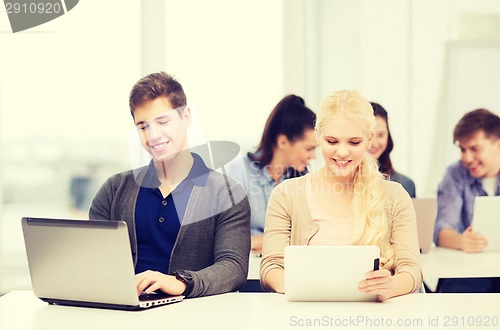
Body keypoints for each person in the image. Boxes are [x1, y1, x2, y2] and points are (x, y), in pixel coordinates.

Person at [89, 72, 251, 298]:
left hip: (191, 315)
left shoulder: (227, 193)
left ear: (186, 117)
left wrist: (182, 283)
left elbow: (233, 267)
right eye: (143, 126)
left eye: (163, 122)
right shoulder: (114, 189)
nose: (153, 135)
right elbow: (94, 260)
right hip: (124, 312)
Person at [260, 90, 422, 301]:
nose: (342, 152)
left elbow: (411, 270)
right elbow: (271, 267)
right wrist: (307, 287)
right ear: (318, 137)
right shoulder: (286, 195)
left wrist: (391, 286)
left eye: (354, 143)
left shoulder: (395, 196)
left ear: (369, 140)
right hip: (306, 315)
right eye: (332, 141)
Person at [224, 95, 318, 254]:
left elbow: (309, 238)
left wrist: (261, 241)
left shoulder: (304, 180)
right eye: (309, 149)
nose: (314, 156)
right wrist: (280, 242)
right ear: (283, 142)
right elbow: (228, 239)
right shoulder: (238, 172)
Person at [434, 108, 500, 293]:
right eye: (462, 149)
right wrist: (463, 241)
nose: (466, 158)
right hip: (469, 271)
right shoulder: (454, 175)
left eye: (474, 149)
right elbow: (442, 232)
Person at [369, 102, 416, 197]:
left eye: (380, 135)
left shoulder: (406, 185)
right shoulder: (341, 184)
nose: (374, 143)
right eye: (368, 135)